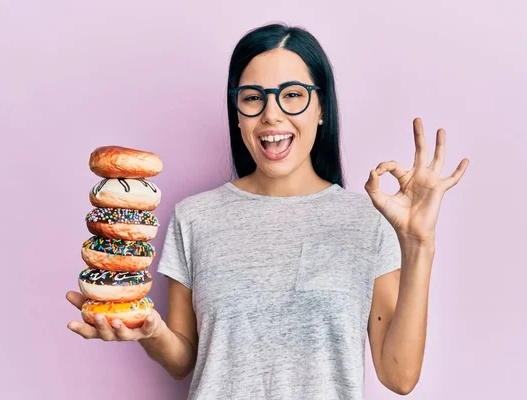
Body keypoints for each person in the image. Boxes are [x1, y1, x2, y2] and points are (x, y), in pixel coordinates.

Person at [66, 23, 469, 399]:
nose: (271, 114)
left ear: (321, 109)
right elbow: (184, 360)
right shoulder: (194, 218)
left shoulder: (366, 221)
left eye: (292, 94)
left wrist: (419, 244)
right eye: (253, 98)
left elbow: (399, 375)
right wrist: (151, 331)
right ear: (238, 115)